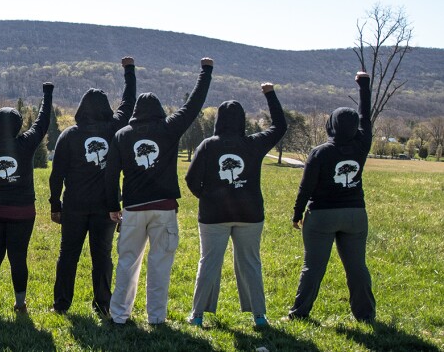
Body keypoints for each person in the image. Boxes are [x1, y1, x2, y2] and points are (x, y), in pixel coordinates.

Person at [106, 57, 213, 325]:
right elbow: (193, 105)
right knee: (159, 266)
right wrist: (205, 72)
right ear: (159, 110)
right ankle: (156, 318)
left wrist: (112, 205)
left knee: (127, 263)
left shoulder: (122, 136)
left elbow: (110, 174)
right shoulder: (169, 129)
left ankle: (119, 315)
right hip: (164, 208)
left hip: (132, 208)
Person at [184, 82, 287, 327]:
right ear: (242, 120)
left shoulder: (208, 145)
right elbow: (280, 126)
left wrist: (206, 197)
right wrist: (270, 94)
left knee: (208, 262)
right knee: (251, 263)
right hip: (250, 214)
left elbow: (190, 179)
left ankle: (197, 315)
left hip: (213, 215)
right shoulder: (253, 144)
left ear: (219, 119)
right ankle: (259, 316)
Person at [49, 57, 136, 316]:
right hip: (105, 207)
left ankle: (61, 305)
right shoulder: (114, 129)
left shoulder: (69, 135)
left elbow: (56, 176)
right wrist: (129, 71)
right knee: (102, 258)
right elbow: (128, 104)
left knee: (68, 257)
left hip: (73, 206)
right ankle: (103, 306)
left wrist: (55, 204)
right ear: (105, 108)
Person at [287, 71, 375, 323]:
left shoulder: (320, 153)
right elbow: (365, 117)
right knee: (357, 268)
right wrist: (364, 86)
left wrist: (296, 214)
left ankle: (299, 313)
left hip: (322, 215)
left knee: (313, 267)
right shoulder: (362, 146)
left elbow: (305, 187)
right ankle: (366, 315)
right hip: (355, 215)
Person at [0, 81, 54, 313]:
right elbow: (42, 122)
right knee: (18, 258)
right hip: (22, 213)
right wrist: (47, 93)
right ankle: (20, 304)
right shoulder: (25, 145)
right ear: (16, 126)